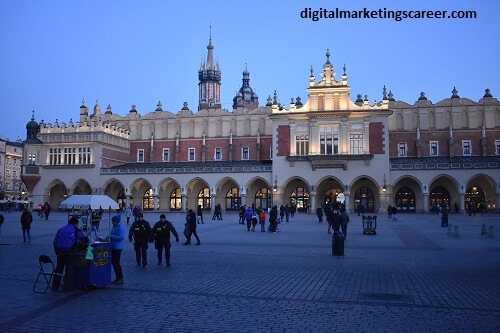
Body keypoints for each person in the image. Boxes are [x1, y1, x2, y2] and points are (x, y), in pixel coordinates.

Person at [52, 216, 88, 291]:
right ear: (75, 223)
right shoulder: (75, 229)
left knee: (59, 268)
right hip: (69, 251)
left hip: (60, 251)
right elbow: (82, 237)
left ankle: (55, 286)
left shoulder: (61, 229)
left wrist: (57, 250)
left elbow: (55, 240)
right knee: (69, 269)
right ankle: (67, 287)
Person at [109, 215, 125, 285]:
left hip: (117, 247)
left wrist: (112, 236)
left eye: (113, 222)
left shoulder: (120, 227)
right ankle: (117, 277)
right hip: (113, 246)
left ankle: (120, 278)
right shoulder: (115, 226)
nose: (112, 223)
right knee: (114, 263)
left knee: (116, 263)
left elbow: (121, 237)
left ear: (116, 221)